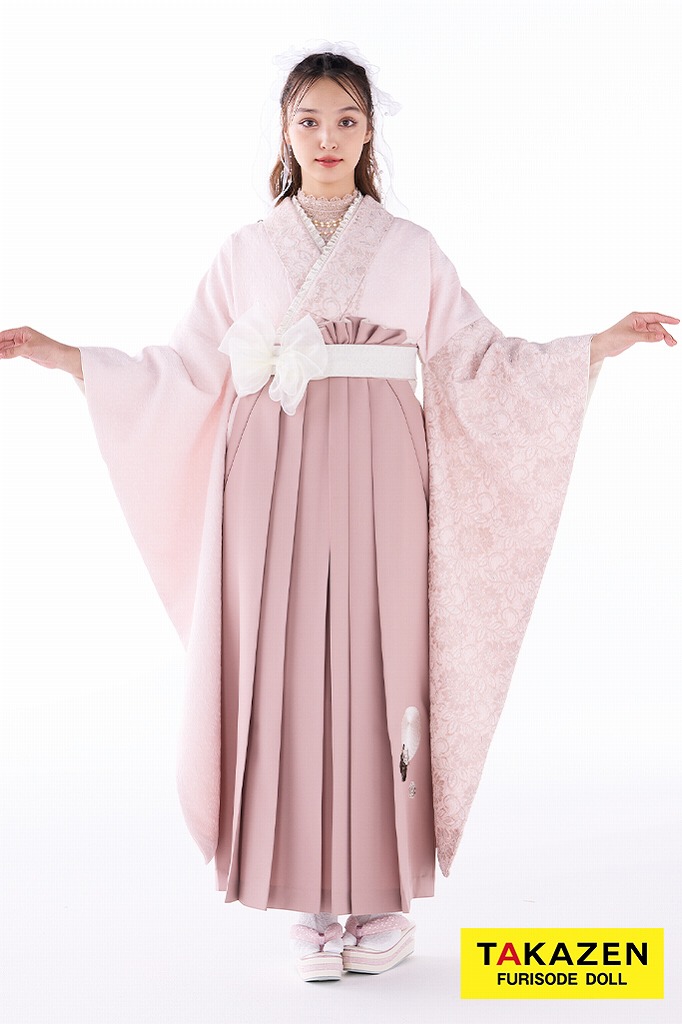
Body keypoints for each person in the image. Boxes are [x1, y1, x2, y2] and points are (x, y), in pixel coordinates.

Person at [0, 45, 677, 984]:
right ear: (284, 132)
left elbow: (478, 361)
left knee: (379, 658)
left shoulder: (411, 248)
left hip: (384, 469)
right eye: (309, 120)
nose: (327, 138)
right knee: (282, 665)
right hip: (265, 470)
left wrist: (592, 347)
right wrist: (71, 358)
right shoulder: (246, 251)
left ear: (369, 134)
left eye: (346, 120)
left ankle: (381, 897)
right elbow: (186, 369)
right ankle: (309, 894)